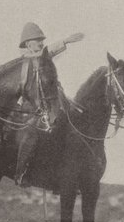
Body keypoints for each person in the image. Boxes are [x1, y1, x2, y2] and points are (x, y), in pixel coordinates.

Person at [10, 22, 84, 183]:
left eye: (42, 40)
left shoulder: (41, 59)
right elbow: (47, 52)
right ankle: (21, 173)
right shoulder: (24, 60)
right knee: (31, 131)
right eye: (38, 40)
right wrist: (65, 41)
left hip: (49, 103)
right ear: (28, 44)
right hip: (30, 107)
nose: (42, 43)